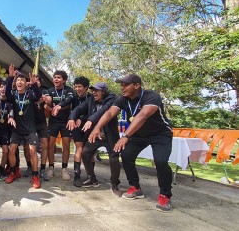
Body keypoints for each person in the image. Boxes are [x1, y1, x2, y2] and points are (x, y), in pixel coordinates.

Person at [88, 74, 173, 213]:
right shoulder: (122, 99)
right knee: (126, 155)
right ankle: (135, 187)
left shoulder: (151, 96)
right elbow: (110, 113)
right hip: (139, 135)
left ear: (136, 85)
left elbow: (143, 115)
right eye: (121, 85)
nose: (122, 88)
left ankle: (165, 195)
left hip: (160, 134)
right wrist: (97, 128)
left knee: (161, 161)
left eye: (125, 85)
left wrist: (126, 135)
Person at [68, 82, 121, 196]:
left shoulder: (112, 99)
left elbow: (104, 111)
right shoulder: (91, 99)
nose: (94, 92)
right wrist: (72, 118)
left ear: (104, 91)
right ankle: (92, 178)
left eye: (97, 90)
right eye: (93, 90)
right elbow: (79, 108)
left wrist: (90, 120)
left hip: (109, 135)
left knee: (114, 159)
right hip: (95, 135)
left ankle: (115, 184)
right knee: (85, 153)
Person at [4, 65, 42, 188]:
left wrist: (34, 84)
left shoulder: (31, 94)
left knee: (32, 151)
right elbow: (6, 94)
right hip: (17, 129)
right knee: (12, 150)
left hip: (30, 129)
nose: (19, 82)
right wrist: (10, 78)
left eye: (22, 80)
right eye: (17, 80)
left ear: (26, 83)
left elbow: (39, 97)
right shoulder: (13, 95)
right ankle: (13, 172)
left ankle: (36, 176)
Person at [44, 70, 74, 180]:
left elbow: (69, 100)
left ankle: (64, 169)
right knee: (50, 145)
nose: (56, 79)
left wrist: (58, 106)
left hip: (66, 122)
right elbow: (47, 102)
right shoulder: (49, 91)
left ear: (64, 80)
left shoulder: (69, 90)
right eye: (55, 77)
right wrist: (47, 105)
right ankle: (51, 167)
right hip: (53, 122)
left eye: (59, 77)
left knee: (66, 146)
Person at [65, 76, 91, 187]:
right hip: (75, 126)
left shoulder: (91, 98)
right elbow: (66, 102)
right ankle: (77, 176)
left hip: (88, 126)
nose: (77, 89)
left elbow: (93, 113)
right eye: (75, 87)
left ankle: (91, 175)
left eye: (79, 87)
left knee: (89, 151)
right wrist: (59, 106)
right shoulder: (74, 96)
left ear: (86, 88)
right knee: (79, 149)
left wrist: (83, 118)